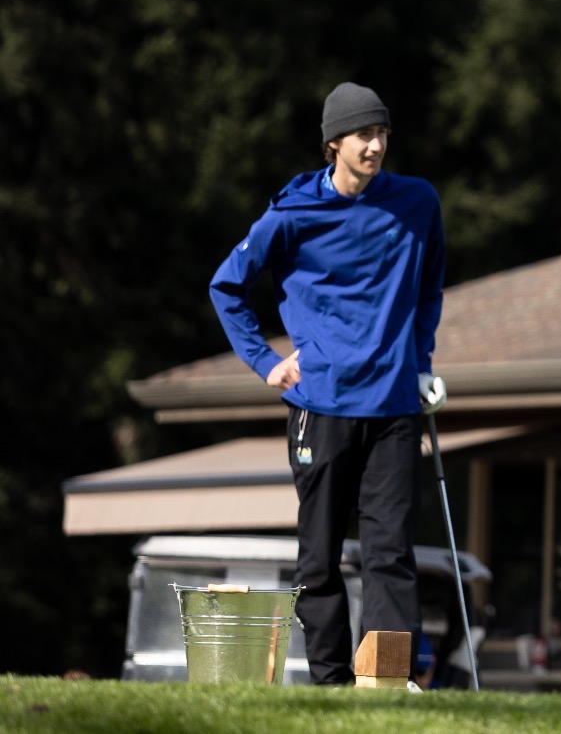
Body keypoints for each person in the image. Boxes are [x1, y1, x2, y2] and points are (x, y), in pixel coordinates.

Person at [208, 82, 449, 686]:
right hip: (322, 405)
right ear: (333, 144)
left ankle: (385, 685)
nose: (376, 145)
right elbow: (226, 286)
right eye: (364, 135)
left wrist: (420, 362)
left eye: (383, 133)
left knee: (391, 555)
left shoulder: (417, 203)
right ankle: (332, 686)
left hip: (394, 405)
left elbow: (427, 291)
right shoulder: (291, 214)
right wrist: (266, 363)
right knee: (319, 557)